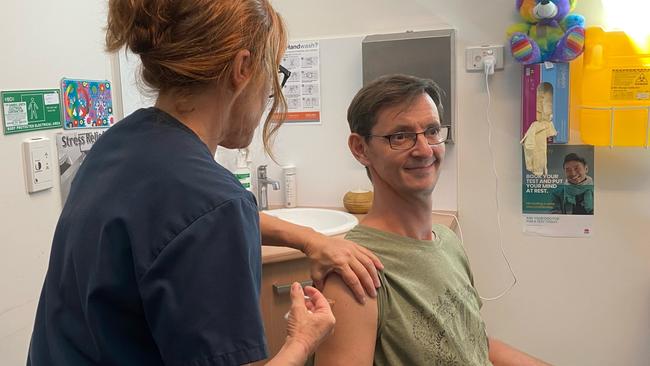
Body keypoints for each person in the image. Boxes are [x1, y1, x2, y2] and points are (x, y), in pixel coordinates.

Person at [27, 1, 383, 365]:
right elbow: (205, 214)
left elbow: (181, 221)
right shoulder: (211, 202)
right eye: (274, 73)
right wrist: (303, 340)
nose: (267, 97)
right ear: (242, 68)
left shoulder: (118, 144)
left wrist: (310, 240)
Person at [311, 75, 550, 365]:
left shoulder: (447, 242)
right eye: (400, 136)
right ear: (360, 149)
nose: (425, 149)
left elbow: (473, 344)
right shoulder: (355, 271)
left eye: (432, 131)